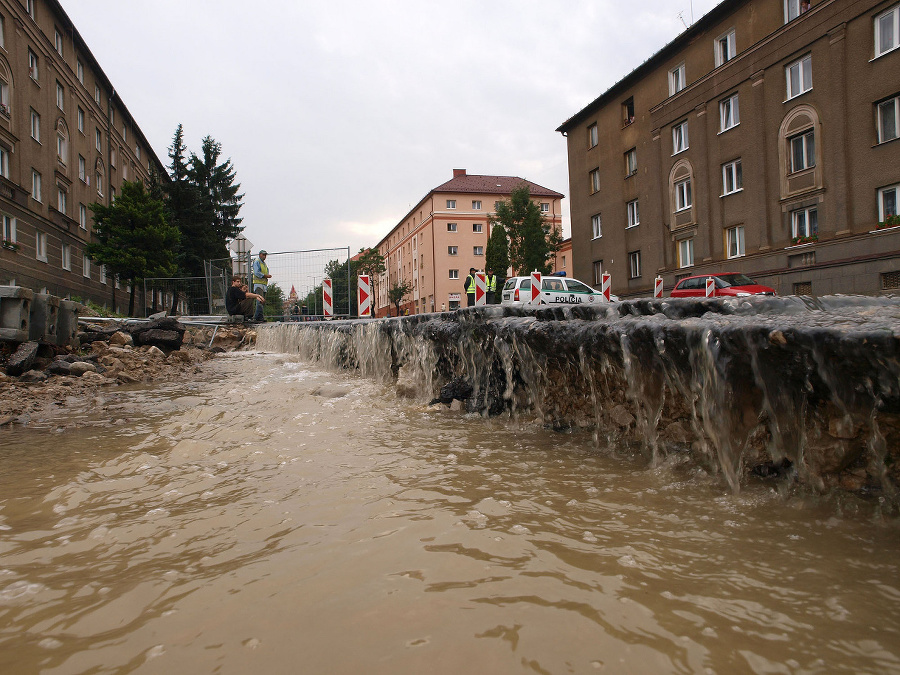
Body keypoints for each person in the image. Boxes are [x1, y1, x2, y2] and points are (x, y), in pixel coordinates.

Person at [251, 250, 272, 321]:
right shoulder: (257, 262)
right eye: (263, 255)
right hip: (258, 284)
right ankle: (257, 317)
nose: (264, 256)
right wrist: (265, 276)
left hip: (263, 285)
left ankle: (259, 316)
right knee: (259, 301)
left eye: (265, 255)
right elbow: (256, 272)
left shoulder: (264, 264)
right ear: (260, 255)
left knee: (262, 301)